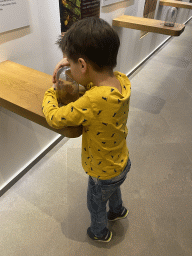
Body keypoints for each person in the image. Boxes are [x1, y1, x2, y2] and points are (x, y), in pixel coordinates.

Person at [42, 17, 131, 243]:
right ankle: (118, 210)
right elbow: (94, 83)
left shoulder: (92, 100)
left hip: (100, 170)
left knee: (95, 202)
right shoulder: (122, 81)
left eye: (71, 64)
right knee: (113, 189)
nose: (68, 68)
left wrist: (51, 93)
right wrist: (67, 61)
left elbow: (55, 117)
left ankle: (100, 232)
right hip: (121, 162)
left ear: (82, 65)